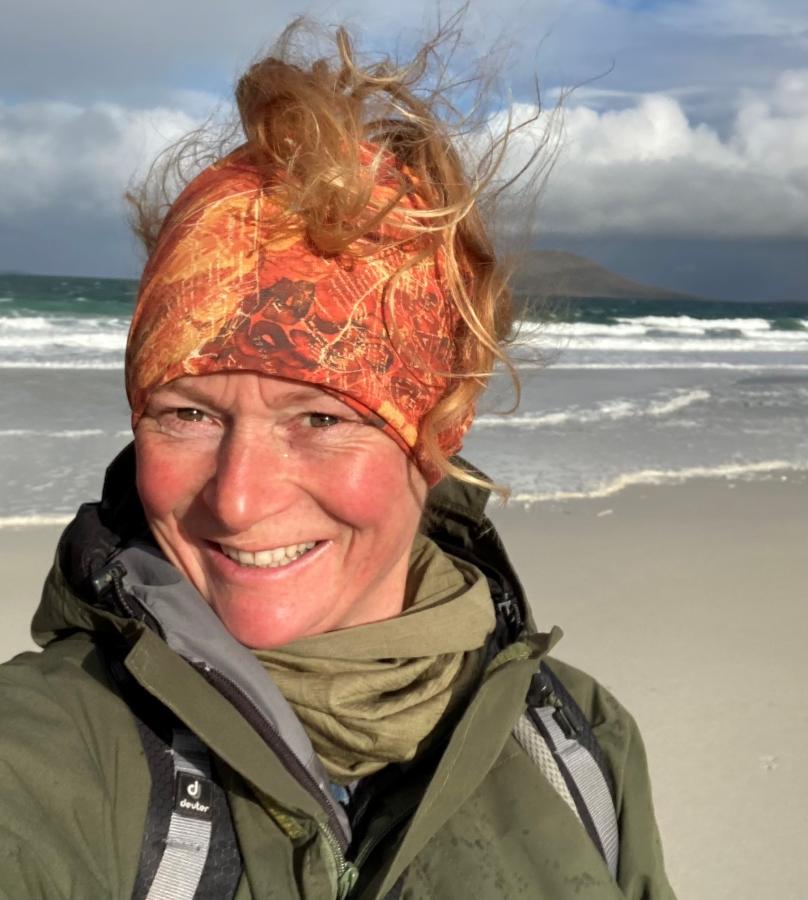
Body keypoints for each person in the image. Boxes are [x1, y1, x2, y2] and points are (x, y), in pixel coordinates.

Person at [0, 21, 676, 900]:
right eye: (188, 413)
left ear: (438, 430)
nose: (238, 500)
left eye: (320, 415)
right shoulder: (42, 753)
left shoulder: (577, 747)